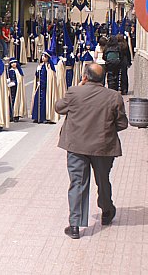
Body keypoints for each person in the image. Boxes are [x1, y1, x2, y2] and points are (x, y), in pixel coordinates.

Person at [55, 63, 128, 239]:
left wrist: (80, 86)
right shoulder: (114, 96)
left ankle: (75, 225)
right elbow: (122, 124)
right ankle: (107, 210)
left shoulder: (74, 92)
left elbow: (59, 107)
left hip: (76, 146)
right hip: (103, 146)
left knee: (77, 183)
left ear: (85, 77)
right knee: (103, 181)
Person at [31, 52, 60, 124]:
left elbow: (50, 77)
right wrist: (37, 72)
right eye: (42, 56)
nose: (43, 58)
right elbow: (37, 76)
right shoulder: (40, 66)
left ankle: (44, 117)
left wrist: (45, 83)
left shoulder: (49, 67)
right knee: (37, 100)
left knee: (44, 102)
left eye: (45, 57)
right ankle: (37, 117)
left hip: (46, 87)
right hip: (40, 86)